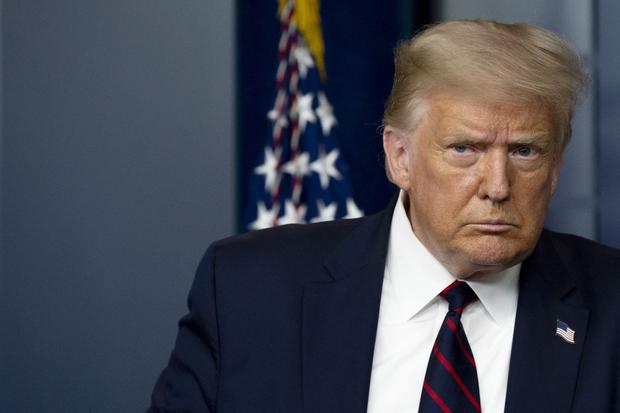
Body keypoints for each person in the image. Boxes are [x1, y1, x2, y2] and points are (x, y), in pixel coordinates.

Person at [148, 20, 620, 413]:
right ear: (400, 157)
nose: (497, 187)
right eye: (464, 149)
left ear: (556, 167)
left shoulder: (612, 305)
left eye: (524, 151)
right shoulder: (248, 293)